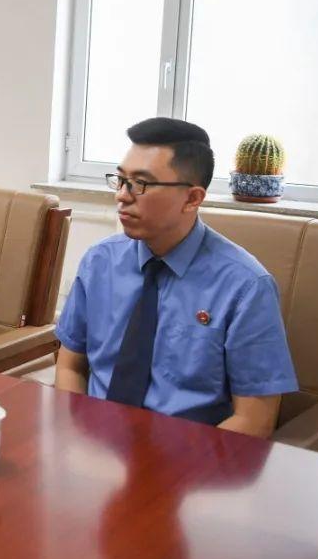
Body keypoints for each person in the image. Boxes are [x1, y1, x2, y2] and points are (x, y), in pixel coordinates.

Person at [54, 118, 297, 437]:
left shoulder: (246, 287)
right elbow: (70, 365)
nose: (122, 196)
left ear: (192, 198)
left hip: (187, 455)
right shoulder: (100, 262)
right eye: (121, 180)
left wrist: (172, 466)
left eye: (141, 183)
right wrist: (74, 433)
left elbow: (255, 420)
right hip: (94, 443)